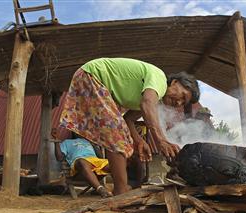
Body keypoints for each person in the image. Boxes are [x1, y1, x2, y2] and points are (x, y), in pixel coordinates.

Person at [60, 58, 200, 195]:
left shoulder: (151, 97)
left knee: (122, 135)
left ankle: (121, 189)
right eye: (182, 95)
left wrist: (139, 140)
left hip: (91, 78)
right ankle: (120, 192)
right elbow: (147, 104)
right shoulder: (160, 79)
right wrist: (161, 140)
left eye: (183, 102)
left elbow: (128, 119)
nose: (179, 103)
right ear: (174, 82)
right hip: (93, 76)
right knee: (116, 134)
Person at [51, 128, 112, 198]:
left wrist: (94, 143)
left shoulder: (88, 142)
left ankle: (119, 190)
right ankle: (101, 190)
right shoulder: (67, 142)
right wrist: (56, 140)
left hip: (95, 165)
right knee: (82, 161)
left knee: (113, 165)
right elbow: (59, 158)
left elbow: (101, 158)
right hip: (80, 166)